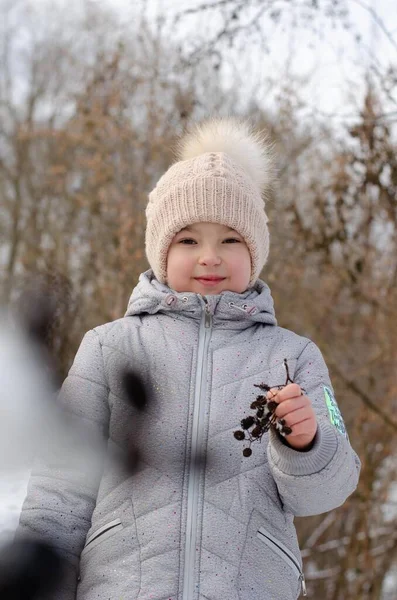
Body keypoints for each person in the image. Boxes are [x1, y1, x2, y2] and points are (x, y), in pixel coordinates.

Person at [16, 117, 360, 600]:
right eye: (188, 240)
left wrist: (307, 444)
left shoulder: (293, 356)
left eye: (230, 240)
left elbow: (329, 490)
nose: (210, 257)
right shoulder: (109, 347)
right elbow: (59, 488)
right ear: (160, 249)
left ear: (255, 251)